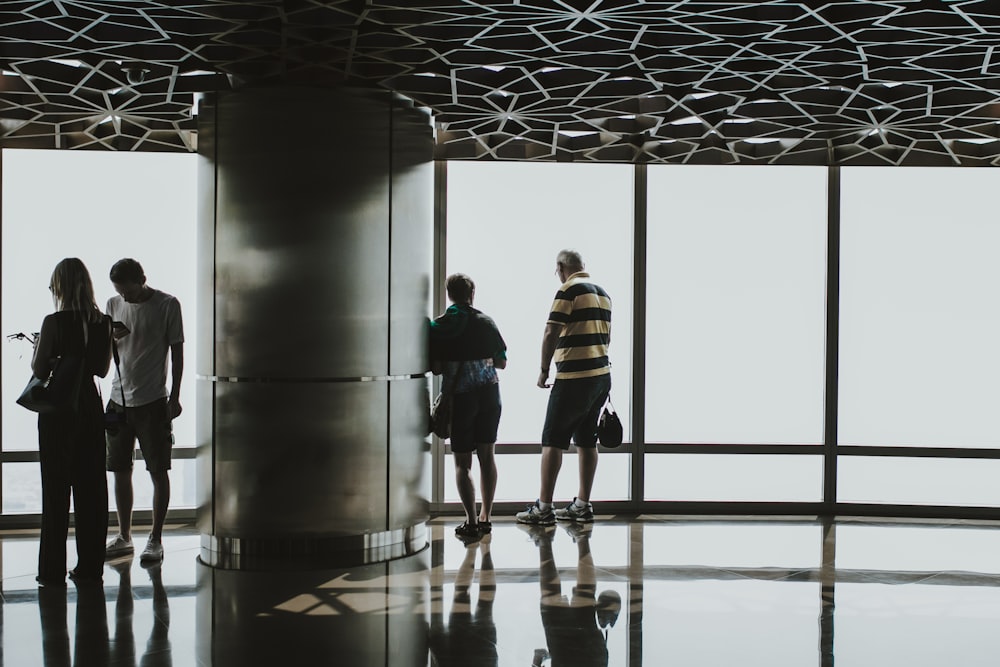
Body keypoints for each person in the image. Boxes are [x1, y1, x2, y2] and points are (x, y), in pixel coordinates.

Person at [31, 258, 113, 586]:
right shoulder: (103, 322)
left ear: (61, 285)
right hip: (90, 408)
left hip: (59, 411)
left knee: (56, 491)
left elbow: (39, 371)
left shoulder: (54, 322)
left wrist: (43, 348)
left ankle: (52, 571)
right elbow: (102, 370)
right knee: (91, 491)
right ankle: (90, 567)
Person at [516, 250, 611, 526]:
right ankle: (583, 504)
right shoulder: (603, 293)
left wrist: (544, 369)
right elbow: (607, 337)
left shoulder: (567, 291)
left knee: (553, 441)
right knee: (586, 441)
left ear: (560, 267)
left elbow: (551, 332)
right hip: (600, 376)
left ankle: (544, 508)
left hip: (573, 378)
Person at [103, 258, 184, 564]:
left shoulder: (167, 305)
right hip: (117, 399)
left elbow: (177, 353)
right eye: (120, 292)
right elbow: (106, 350)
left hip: (152, 402)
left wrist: (174, 398)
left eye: (129, 292)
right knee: (119, 470)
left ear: (142, 280)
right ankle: (124, 536)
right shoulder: (112, 304)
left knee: (158, 470)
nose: (125, 298)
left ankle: (156, 538)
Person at [430, 273, 507, 541]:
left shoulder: (440, 326)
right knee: (488, 456)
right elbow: (502, 362)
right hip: (489, 395)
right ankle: (486, 516)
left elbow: (437, 368)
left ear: (449, 293)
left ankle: (471, 522)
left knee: (463, 463)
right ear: (472, 292)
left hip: (461, 398)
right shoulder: (486, 322)